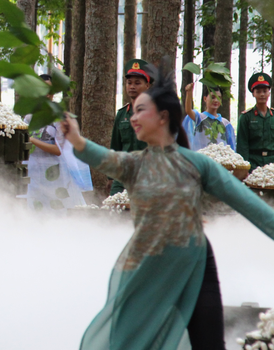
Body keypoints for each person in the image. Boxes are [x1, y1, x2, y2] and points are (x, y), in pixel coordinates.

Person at [61, 67, 274, 350]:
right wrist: (76, 140)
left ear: (163, 117)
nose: (133, 118)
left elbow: (249, 205)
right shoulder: (134, 164)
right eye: (133, 112)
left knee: (208, 343)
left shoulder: (198, 165)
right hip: (148, 265)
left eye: (140, 111)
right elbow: (103, 156)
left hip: (195, 264)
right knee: (130, 342)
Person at [24, 75, 91, 211]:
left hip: (55, 172)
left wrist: (32, 140)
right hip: (34, 171)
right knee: (35, 207)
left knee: (56, 206)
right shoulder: (29, 116)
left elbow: (58, 149)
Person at [108, 59, 153, 196]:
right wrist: (110, 177)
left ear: (147, 86)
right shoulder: (122, 114)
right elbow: (115, 146)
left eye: (137, 83)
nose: (132, 86)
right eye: (129, 83)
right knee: (114, 209)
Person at [237, 72, 274, 171]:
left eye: (264, 91)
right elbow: (242, 146)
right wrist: (245, 168)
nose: (262, 94)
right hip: (253, 163)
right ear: (253, 94)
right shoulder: (246, 117)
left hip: (272, 162)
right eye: (258, 91)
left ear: (269, 93)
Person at [183, 83, 235, 151]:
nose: (216, 100)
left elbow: (231, 146)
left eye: (219, 98)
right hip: (202, 159)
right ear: (205, 98)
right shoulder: (200, 118)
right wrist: (189, 93)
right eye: (213, 97)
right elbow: (188, 110)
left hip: (220, 160)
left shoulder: (225, 123)